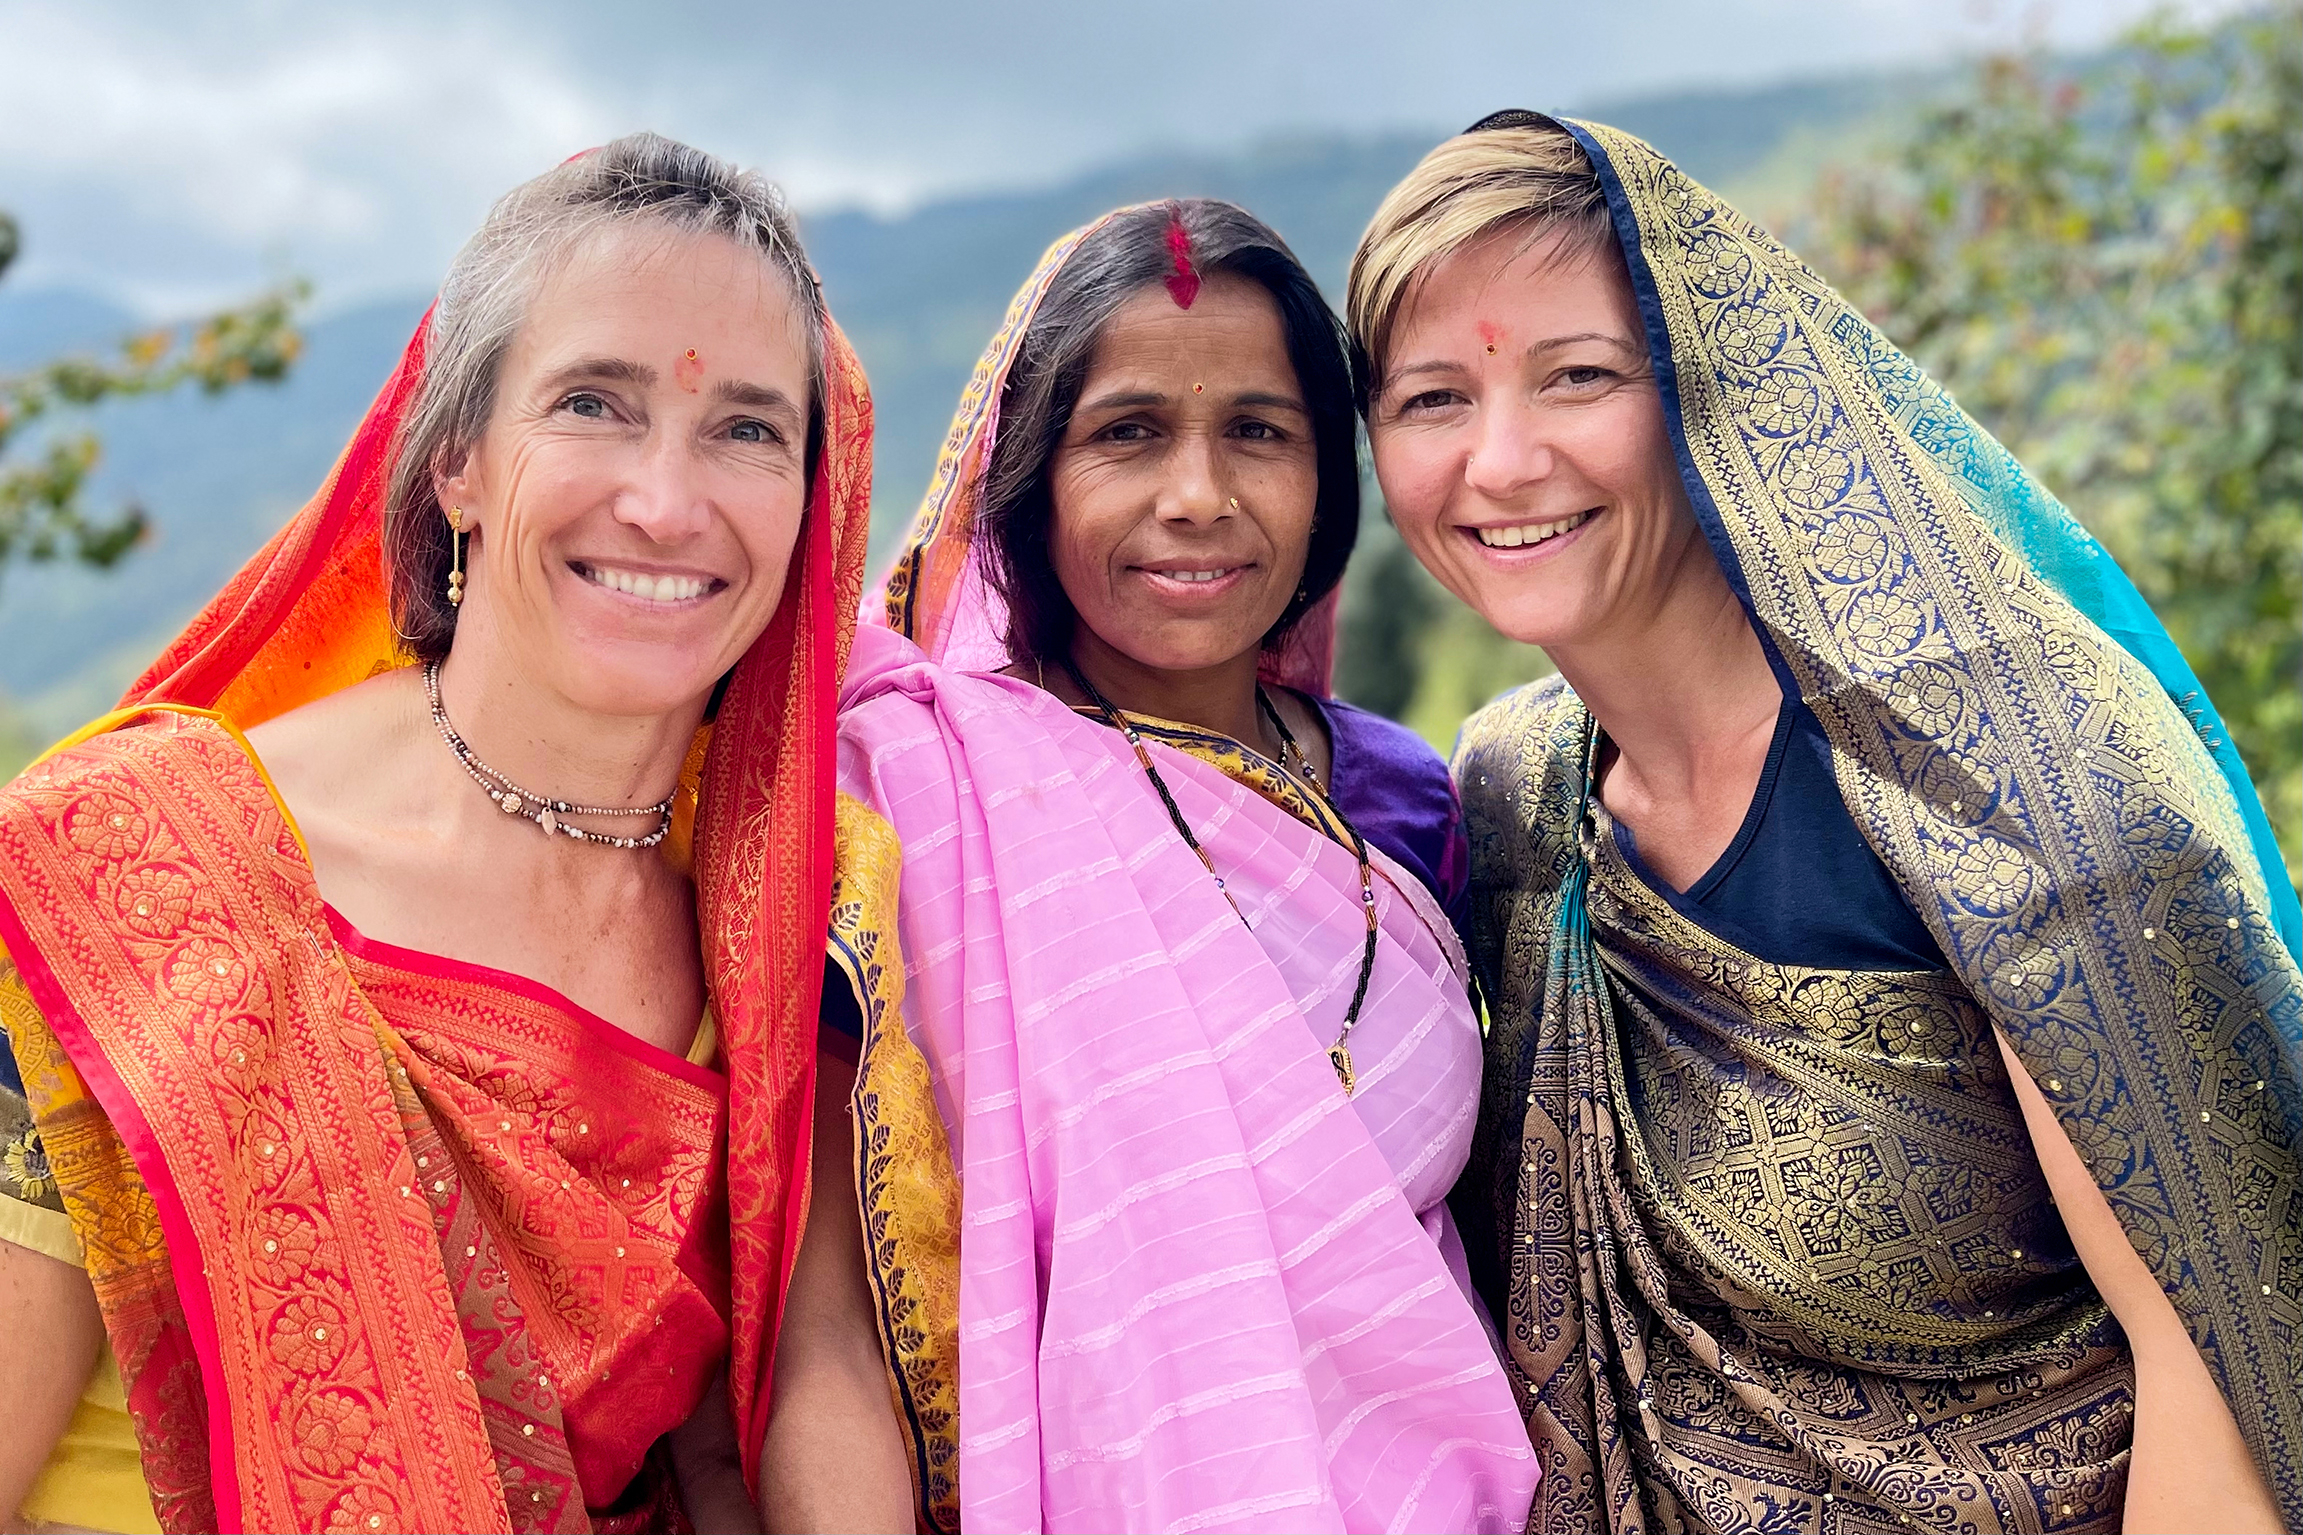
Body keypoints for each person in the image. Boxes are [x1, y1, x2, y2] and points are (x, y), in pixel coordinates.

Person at [1348, 112, 2303, 1531]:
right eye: (1433, 399)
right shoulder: (1511, 802)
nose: (1500, 461)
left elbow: (2225, 1357)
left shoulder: (2017, 780)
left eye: (1580, 377)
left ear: (1707, 390)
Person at [0, 133, 902, 1534]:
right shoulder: (136, 863)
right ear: (457, 466)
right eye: (594, 405)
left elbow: (798, 1386)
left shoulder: (788, 938)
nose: (666, 504)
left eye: (746, 429)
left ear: (808, 505)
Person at [819, 198, 1539, 1533]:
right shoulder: (919, 809)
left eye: (1260, 432)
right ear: (1029, 475)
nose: (1198, 497)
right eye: (1128, 433)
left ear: (1332, 477)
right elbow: (832, 1328)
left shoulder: (1403, 799)